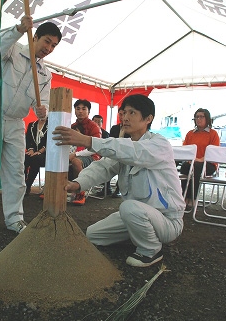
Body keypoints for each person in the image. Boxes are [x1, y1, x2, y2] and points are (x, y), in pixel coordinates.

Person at [53, 94, 185, 267]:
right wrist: (77, 184)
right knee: (93, 234)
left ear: (148, 119)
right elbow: (104, 167)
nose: (125, 117)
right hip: (135, 215)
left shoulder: (160, 144)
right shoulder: (125, 145)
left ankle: (150, 250)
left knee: (128, 207)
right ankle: (140, 232)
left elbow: (134, 152)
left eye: (132, 113)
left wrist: (87, 141)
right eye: (124, 113)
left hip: (167, 221)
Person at [0, 15, 62, 233]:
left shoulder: (45, 73)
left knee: (16, 171)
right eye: (46, 41)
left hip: (16, 123)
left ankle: (14, 219)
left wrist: (43, 110)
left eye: (53, 45)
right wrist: (17, 29)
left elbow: (42, 102)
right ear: (34, 36)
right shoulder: (13, 50)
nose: (49, 48)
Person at [180, 108, 220, 201]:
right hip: (192, 163)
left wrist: (201, 159)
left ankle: (192, 198)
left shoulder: (213, 134)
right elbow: (185, 149)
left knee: (196, 167)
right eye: (197, 117)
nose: (199, 119)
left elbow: (214, 152)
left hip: (208, 164)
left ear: (207, 119)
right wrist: (188, 159)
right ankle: (184, 197)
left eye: (201, 117)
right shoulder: (190, 134)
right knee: (185, 167)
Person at [69, 99, 101, 205]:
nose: (80, 111)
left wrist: (75, 154)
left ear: (88, 111)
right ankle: (56, 189)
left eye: (84, 109)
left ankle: (81, 191)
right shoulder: (72, 126)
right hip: (74, 155)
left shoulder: (94, 127)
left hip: (93, 157)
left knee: (76, 161)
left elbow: (95, 149)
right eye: (78, 109)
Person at [109, 106, 130, 198]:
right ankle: (106, 188)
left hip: (125, 153)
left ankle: (119, 188)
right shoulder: (114, 128)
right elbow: (110, 141)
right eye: (120, 114)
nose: (122, 117)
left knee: (124, 164)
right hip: (113, 151)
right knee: (106, 162)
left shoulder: (130, 128)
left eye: (124, 114)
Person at [24, 117, 48, 195]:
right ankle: (21, 184)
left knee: (35, 159)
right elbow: (27, 140)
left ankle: (28, 185)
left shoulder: (51, 125)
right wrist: (30, 149)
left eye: (43, 111)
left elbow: (52, 141)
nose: (41, 113)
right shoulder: (31, 125)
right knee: (24, 157)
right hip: (33, 152)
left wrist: (40, 151)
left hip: (47, 154)